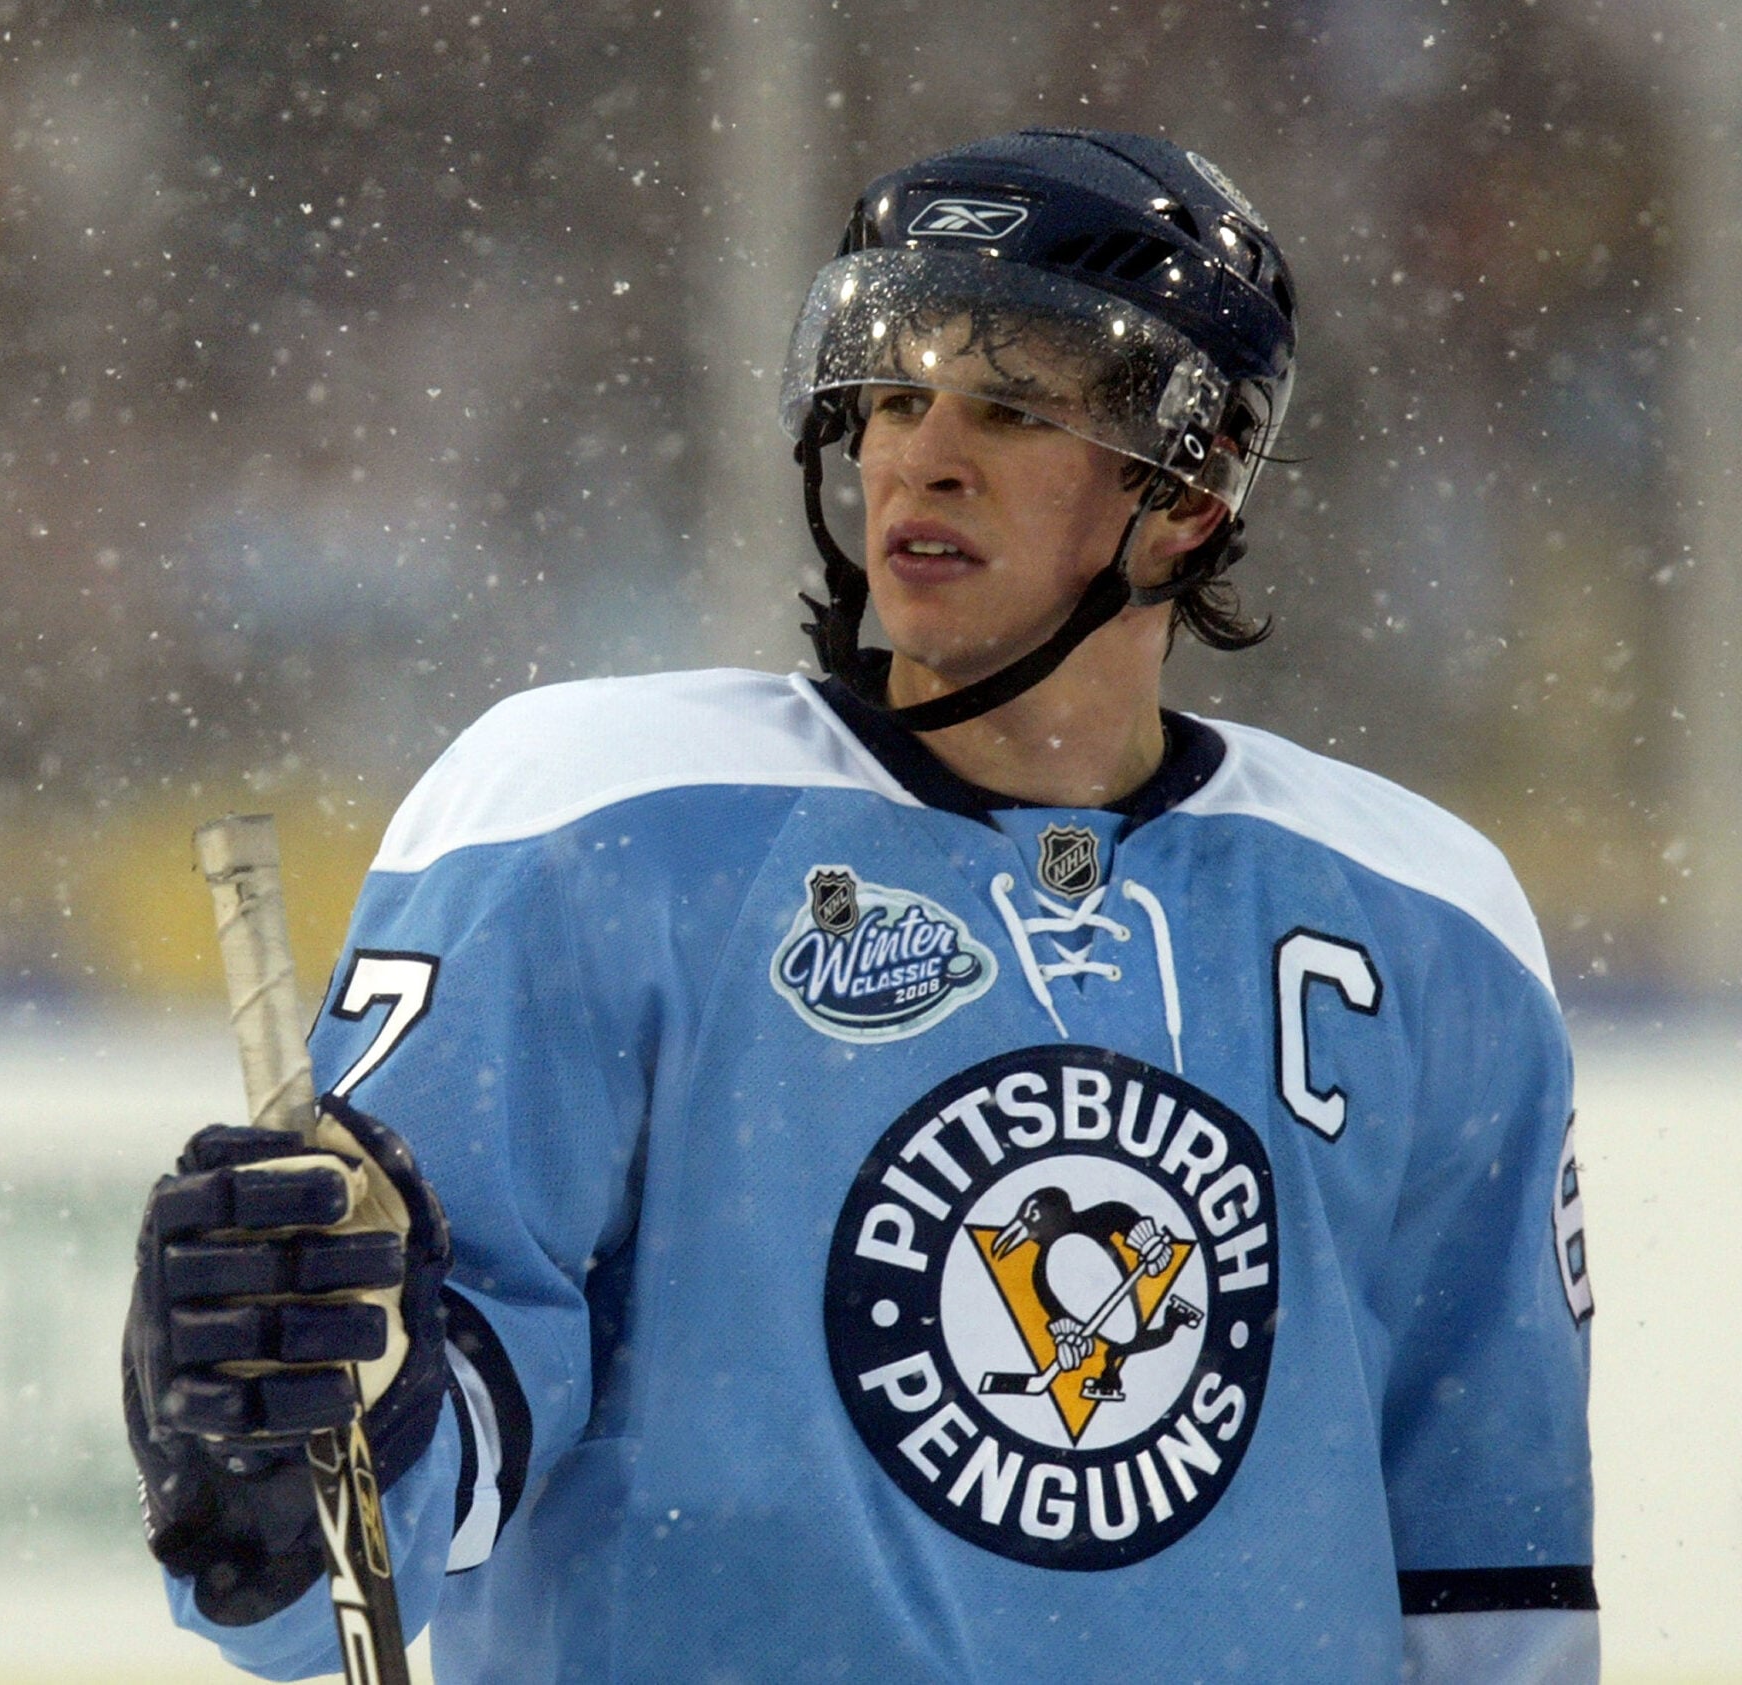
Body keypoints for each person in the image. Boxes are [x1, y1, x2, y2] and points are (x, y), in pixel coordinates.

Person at [124, 129, 1598, 1683]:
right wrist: (280, 1467)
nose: (922, 457)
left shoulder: (1430, 923)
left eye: (1015, 407)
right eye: (896, 395)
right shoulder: (596, 825)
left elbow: (1493, 1577)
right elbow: (365, 1543)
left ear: (1194, 488)